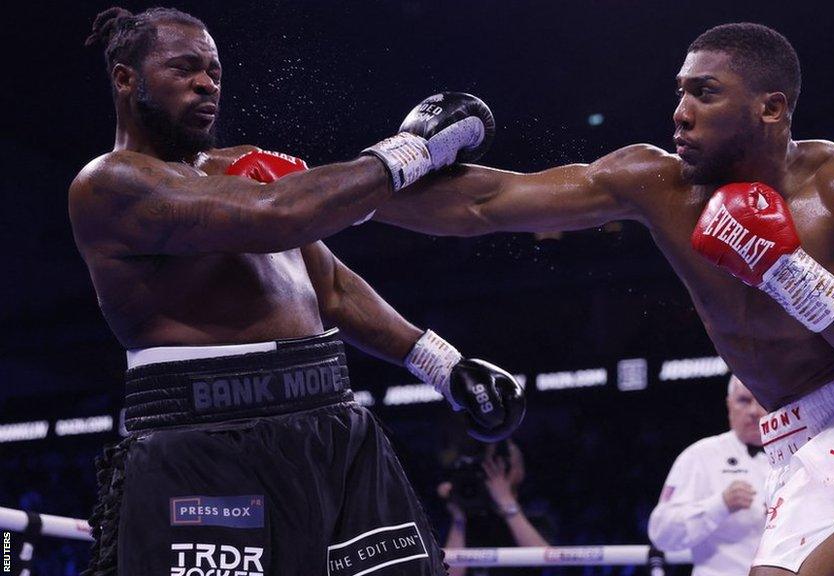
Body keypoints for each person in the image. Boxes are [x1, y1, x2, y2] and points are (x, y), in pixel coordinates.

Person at [376, 22, 834, 576]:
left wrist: (787, 272)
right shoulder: (657, 184)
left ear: (771, 107)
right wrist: (348, 183)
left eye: (705, 94)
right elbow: (485, 202)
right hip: (794, 437)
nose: (679, 114)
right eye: (681, 92)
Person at [70, 7, 524, 576]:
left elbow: (329, 286)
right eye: (184, 68)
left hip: (331, 427)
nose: (206, 82)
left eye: (213, 69)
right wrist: (412, 150)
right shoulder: (109, 184)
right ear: (125, 78)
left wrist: (441, 364)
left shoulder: (242, 166)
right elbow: (277, 215)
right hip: (205, 445)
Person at [649, 375, 768, 576]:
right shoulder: (701, 456)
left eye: (761, 400)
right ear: (729, 404)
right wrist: (720, 505)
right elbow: (661, 531)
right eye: (744, 400)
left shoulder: (799, 454)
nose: (754, 411)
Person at [438, 440, 551, 576]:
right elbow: (449, 574)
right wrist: (458, 519)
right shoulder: (467, 513)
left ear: (518, 471)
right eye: (488, 464)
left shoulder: (536, 512)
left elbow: (545, 560)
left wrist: (507, 503)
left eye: (502, 463)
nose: (495, 470)